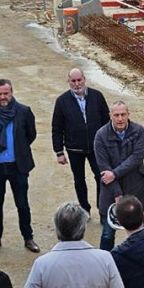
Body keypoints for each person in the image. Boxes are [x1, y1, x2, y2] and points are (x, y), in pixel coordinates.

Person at [0, 78, 39, 253]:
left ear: (12, 92)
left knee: (22, 204)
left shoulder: (24, 111)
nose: (3, 97)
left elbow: (30, 135)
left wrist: (17, 150)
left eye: (6, 93)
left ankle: (28, 238)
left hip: (17, 166)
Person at [92, 101, 144, 253]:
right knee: (107, 233)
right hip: (110, 190)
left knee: (139, 233)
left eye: (123, 114)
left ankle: (141, 260)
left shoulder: (138, 131)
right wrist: (117, 194)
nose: (120, 118)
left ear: (128, 114)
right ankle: (105, 262)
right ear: (110, 116)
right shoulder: (100, 135)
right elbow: (104, 169)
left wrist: (115, 173)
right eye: (116, 115)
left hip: (135, 186)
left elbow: (137, 158)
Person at [51, 68, 110, 213]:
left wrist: (109, 145)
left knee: (101, 179)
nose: (77, 84)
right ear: (69, 82)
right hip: (74, 149)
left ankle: (102, 210)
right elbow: (57, 127)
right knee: (79, 180)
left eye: (79, 80)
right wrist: (59, 151)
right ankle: (84, 210)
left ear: (85, 79)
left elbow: (107, 123)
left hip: (97, 148)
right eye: (73, 81)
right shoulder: (62, 101)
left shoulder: (97, 97)